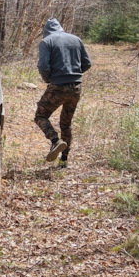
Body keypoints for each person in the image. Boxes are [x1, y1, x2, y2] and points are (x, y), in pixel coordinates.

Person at [34, 18, 91, 166]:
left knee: (40, 116)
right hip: (76, 87)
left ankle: (55, 140)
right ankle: (64, 160)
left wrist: (49, 80)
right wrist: (75, 74)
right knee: (66, 123)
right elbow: (87, 63)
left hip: (58, 86)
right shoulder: (76, 39)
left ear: (46, 31)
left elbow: (43, 66)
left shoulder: (47, 42)